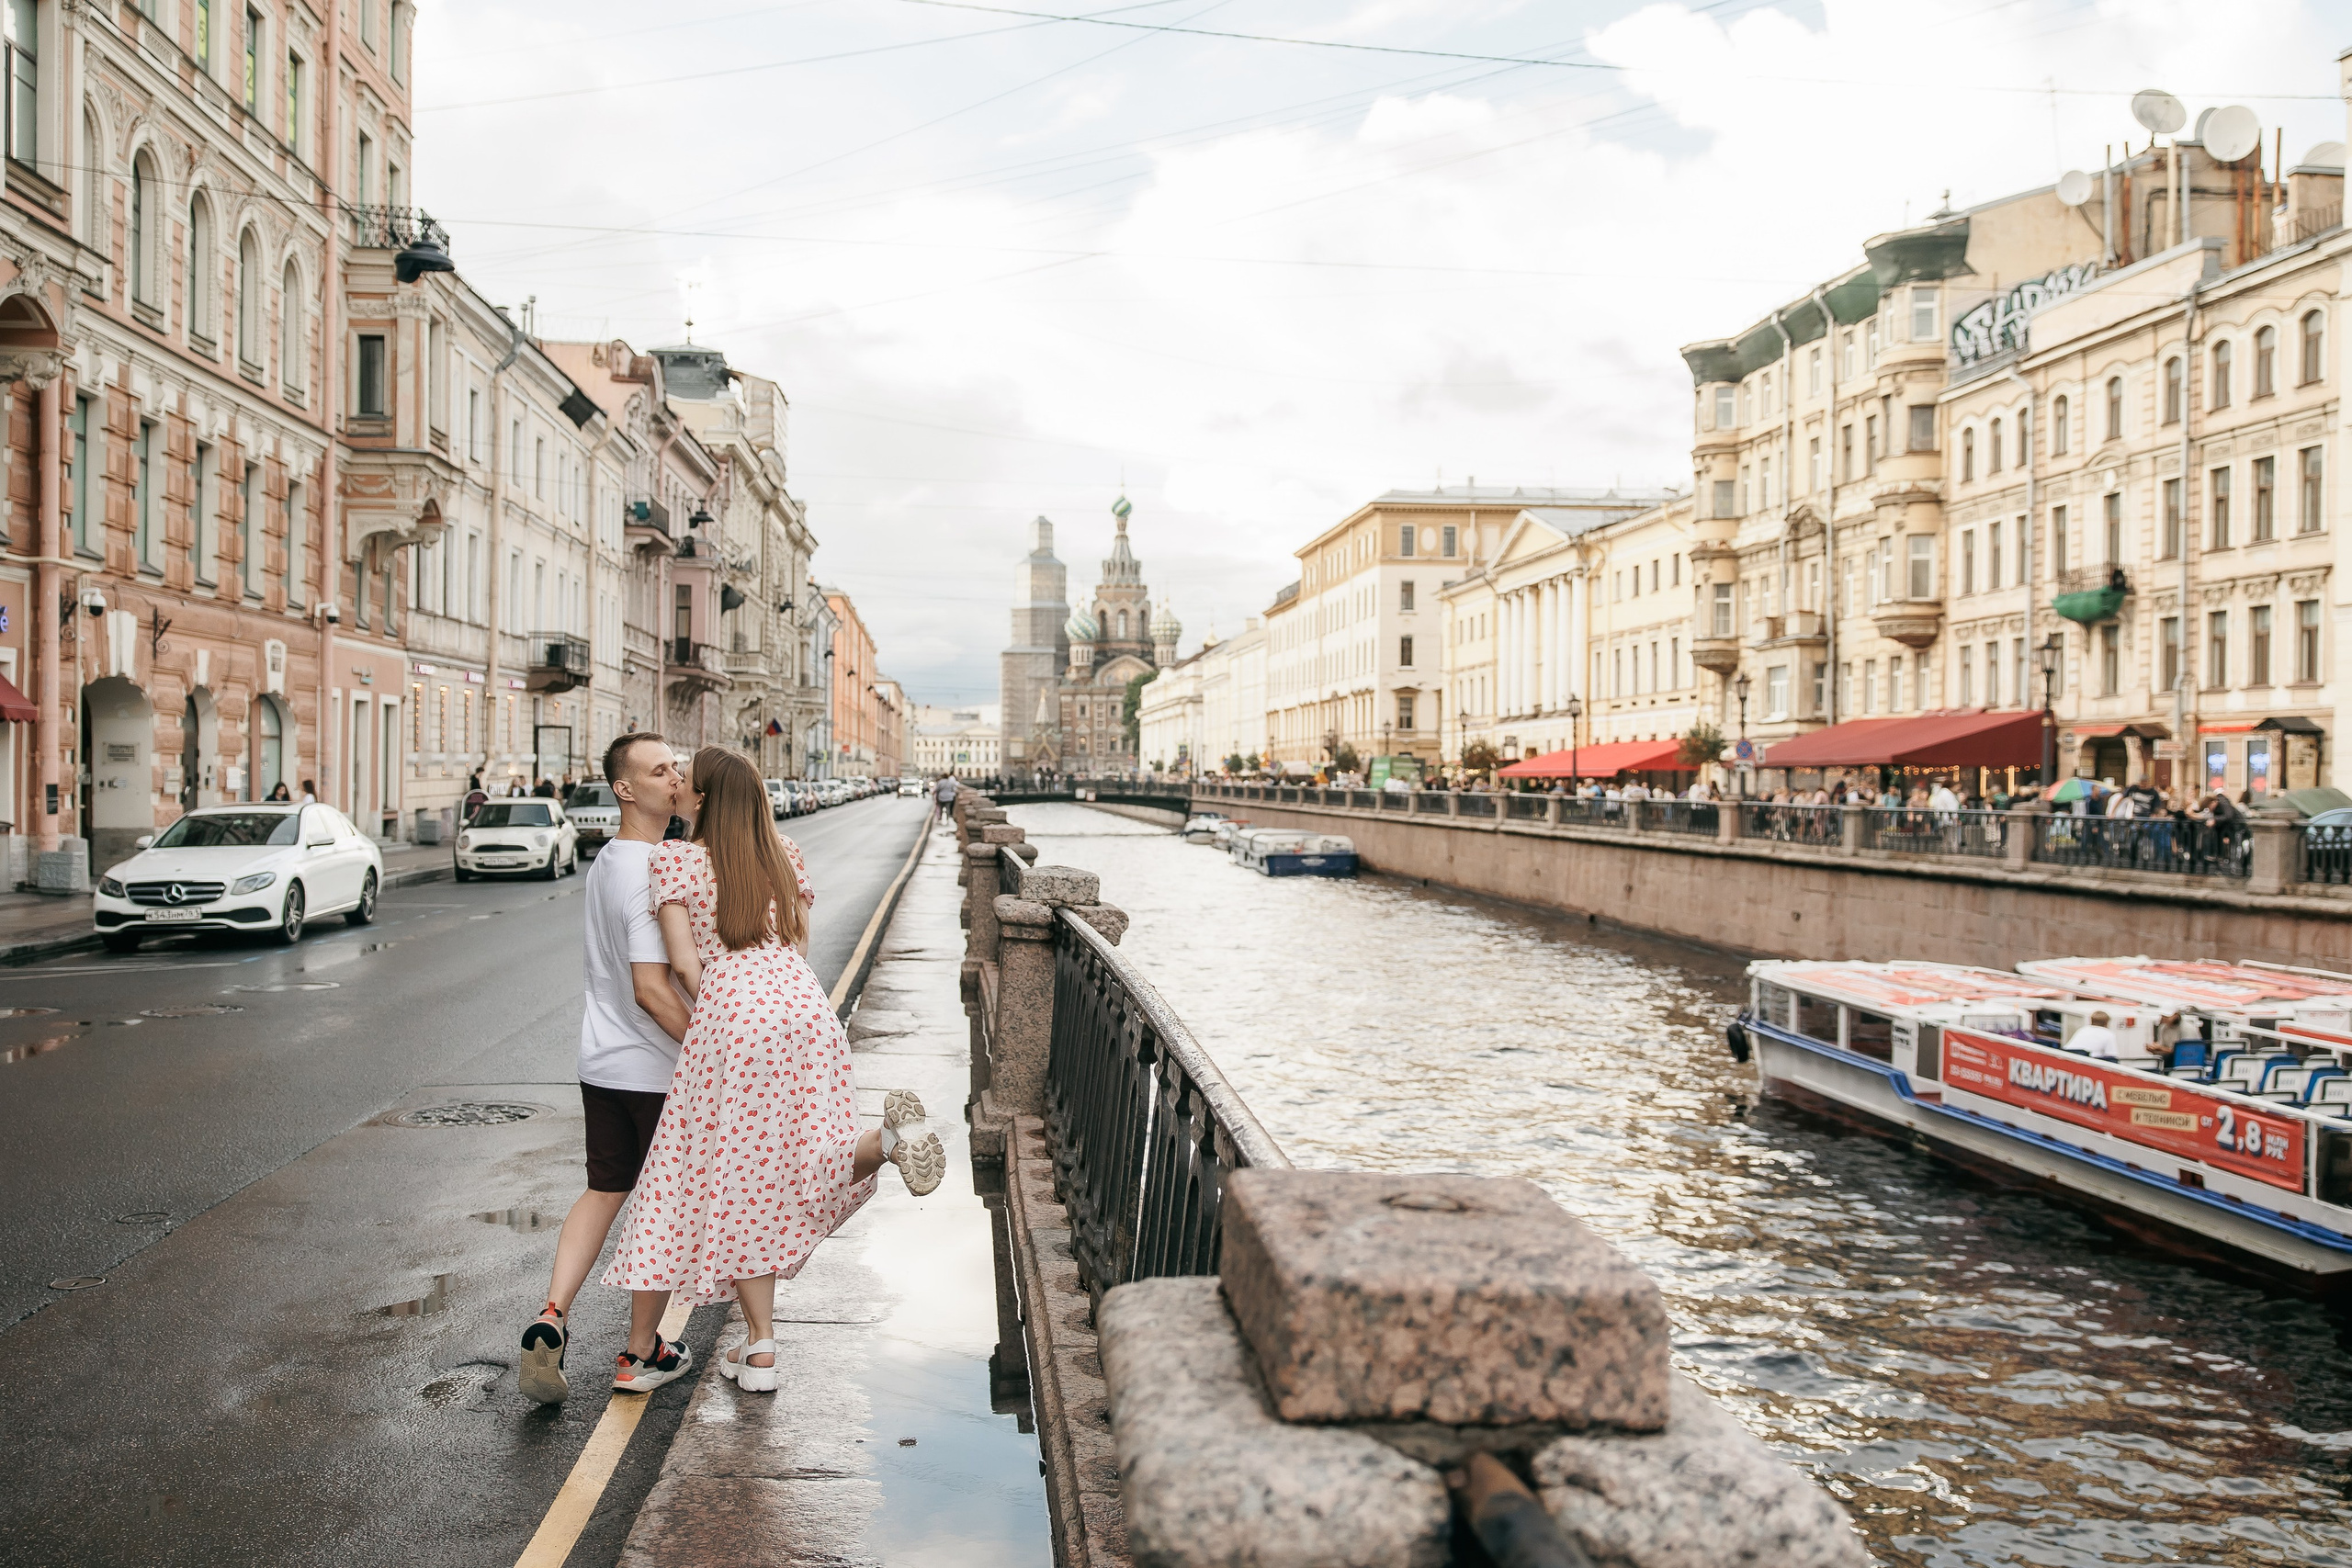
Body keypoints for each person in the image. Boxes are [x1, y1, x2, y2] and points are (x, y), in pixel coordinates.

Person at [605, 747, 944, 1395]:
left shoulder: (675, 859)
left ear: (701, 800)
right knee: (786, 1163)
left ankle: (645, 1353)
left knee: (697, 1171)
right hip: (804, 1007)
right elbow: (799, 940)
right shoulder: (783, 853)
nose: (675, 785)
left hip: (736, 1014)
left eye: (685, 781)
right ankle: (883, 1147)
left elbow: (682, 963)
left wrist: (722, 1014)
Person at [518, 732, 695, 1406]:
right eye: (659, 770)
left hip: (602, 1062)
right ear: (625, 789)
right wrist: (708, 1046)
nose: (674, 777)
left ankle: (552, 1313)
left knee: (604, 1190)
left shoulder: (607, 862)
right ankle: (641, 1351)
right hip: (656, 1069)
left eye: (677, 767)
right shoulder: (652, 867)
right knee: (663, 1207)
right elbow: (652, 987)